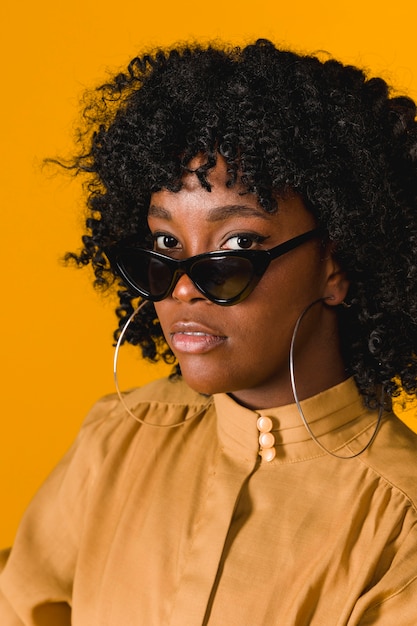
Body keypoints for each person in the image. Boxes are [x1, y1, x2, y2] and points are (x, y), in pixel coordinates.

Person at [1, 38, 417, 625]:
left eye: (238, 245)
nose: (181, 289)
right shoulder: (117, 440)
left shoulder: (401, 531)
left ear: (336, 265)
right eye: (167, 244)